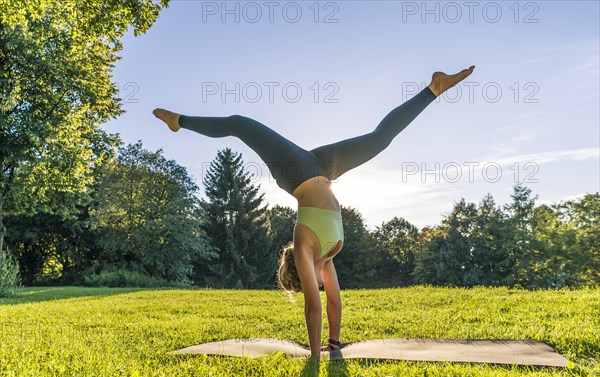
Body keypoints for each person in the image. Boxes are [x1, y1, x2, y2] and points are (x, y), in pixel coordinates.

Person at [153, 66, 475, 360]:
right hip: (324, 167)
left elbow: (313, 307)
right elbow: (333, 301)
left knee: (240, 124)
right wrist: (333, 345)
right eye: (317, 283)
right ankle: (433, 89)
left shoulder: (305, 244)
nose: (319, 285)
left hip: (294, 172)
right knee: (380, 140)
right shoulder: (330, 254)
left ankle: (178, 121)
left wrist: (315, 355)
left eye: (310, 283)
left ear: (299, 271)